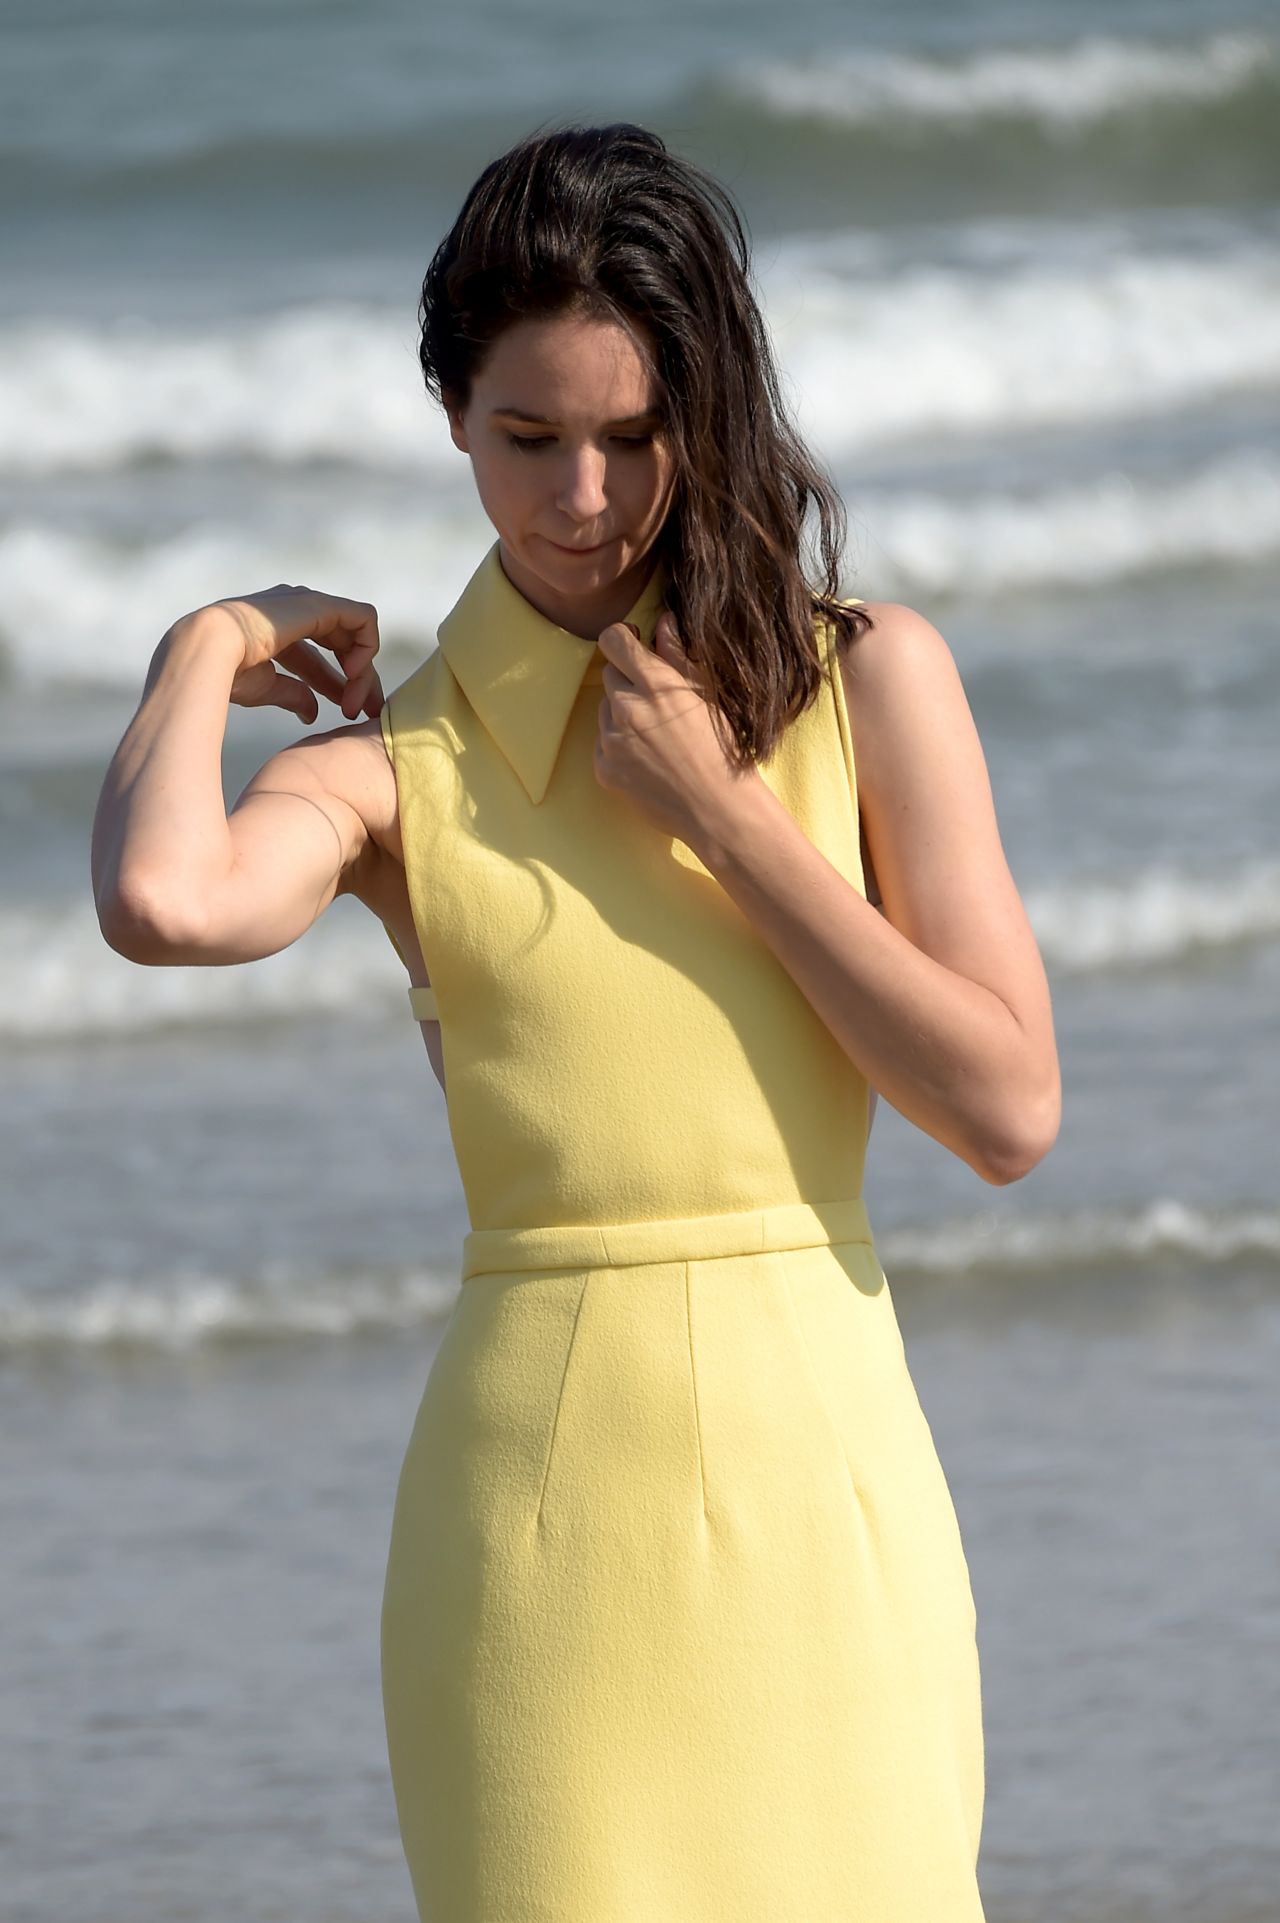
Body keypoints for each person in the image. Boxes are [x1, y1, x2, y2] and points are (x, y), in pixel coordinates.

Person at [92, 122, 1060, 1922]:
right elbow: (165, 905)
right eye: (529, 440)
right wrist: (201, 651)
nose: (585, 498)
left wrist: (730, 817)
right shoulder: (394, 770)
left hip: (829, 1500)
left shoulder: (875, 683)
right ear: (454, 416)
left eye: (633, 439)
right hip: (536, 1542)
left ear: (710, 417)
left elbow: (1005, 1109)